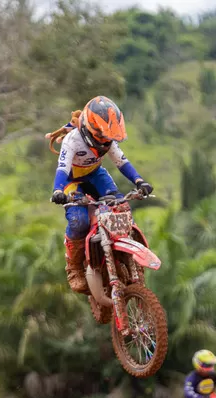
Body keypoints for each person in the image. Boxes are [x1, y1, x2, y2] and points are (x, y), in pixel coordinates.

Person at [45, 95, 154, 295]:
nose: (105, 142)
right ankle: (74, 268)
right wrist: (58, 191)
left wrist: (139, 181)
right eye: (101, 137)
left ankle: (124, 255)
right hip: (72, 181)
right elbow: (62, 168)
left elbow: (122, 162)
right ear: (89, 129)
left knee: (120, 206)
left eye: (108, 138)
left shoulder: (108, 140)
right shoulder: (72, 140)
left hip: (96, 175)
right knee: (79, 221)